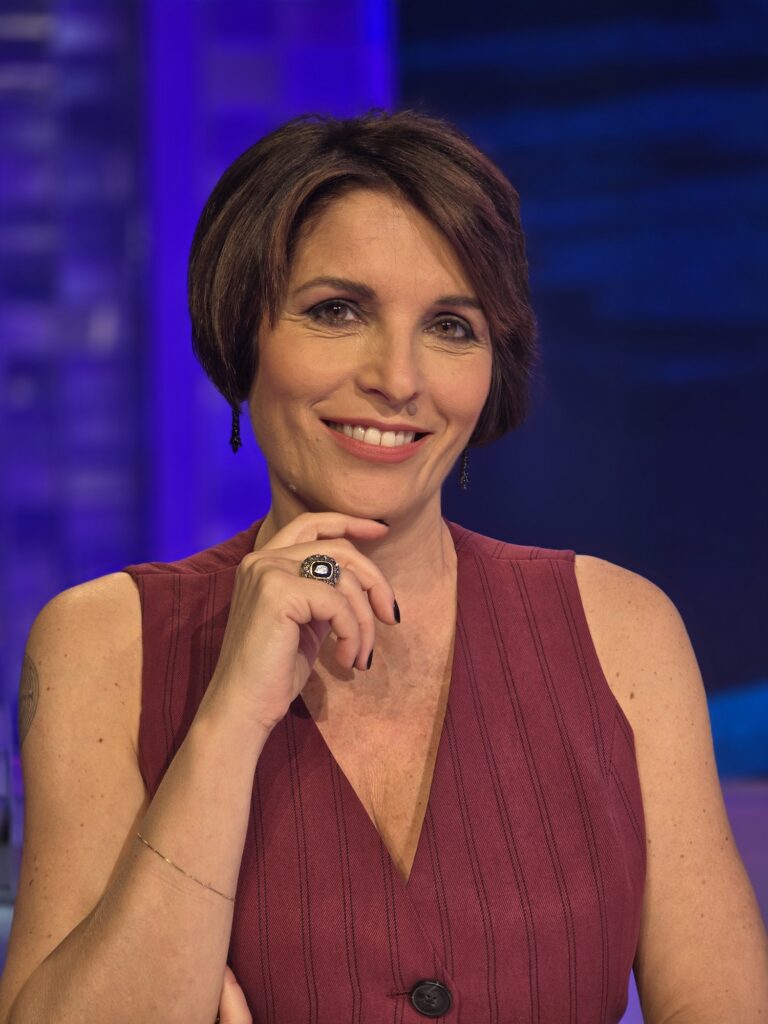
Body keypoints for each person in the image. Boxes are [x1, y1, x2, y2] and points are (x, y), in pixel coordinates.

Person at [0, 109, 766, 1024]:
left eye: (451, 326)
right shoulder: (103, 643)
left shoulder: (623, 632)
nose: (398, 379)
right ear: (243, 334)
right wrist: (231, 719)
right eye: (338, 311)